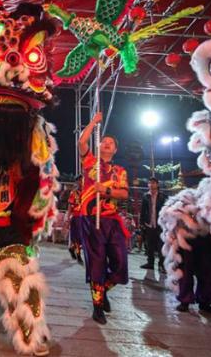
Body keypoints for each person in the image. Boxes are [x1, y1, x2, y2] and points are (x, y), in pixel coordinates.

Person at [77, 112, 129, 325]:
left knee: (120, 264)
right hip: (92, 219)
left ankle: (103, 289)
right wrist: (93, 122)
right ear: (99, 147)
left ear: (115, 150)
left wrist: (105, 191)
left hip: (112, 220)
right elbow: (82, 141)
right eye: (104, 142)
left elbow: (124, 194)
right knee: (97, 263)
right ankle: (97, 306)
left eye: (111, 143)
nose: (107, 144)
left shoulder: (120, 171)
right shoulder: (90, 162)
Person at [139, 177, 166, 271]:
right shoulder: (145, 196)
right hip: (149, 224)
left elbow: (166, 210)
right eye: (149, 183)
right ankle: (150, 263)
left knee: (161, 246)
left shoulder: (162, 196)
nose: (151, 185)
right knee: (149, 246)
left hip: (160, 225)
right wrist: (141, 223)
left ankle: (161, 265)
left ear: (157, 184)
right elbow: (142, 211)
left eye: (153, 183)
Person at [66, 178, 83, 264]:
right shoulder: (73, 193)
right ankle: (78, 254)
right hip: (76, 217)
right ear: (77, 182)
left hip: (84, 218)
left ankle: (72, 248)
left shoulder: (88, 192)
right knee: (76, 237)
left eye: (82, 180)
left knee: (81, 238)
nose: (81, 182)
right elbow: (70, 207)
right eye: (79, 180)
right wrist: (68, 218)